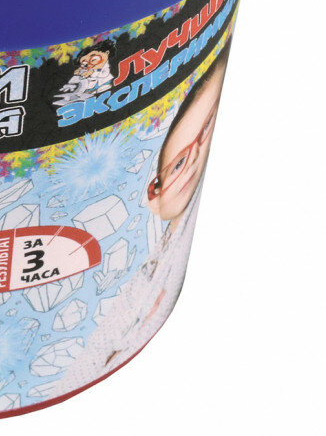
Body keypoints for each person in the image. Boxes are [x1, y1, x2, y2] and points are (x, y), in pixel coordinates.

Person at [66, 43, 231, 388]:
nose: (194, 159)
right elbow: (83, 367)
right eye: (178, 164)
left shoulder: (152, 266)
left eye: (206, 129)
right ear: (152, 194)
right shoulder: (134, 287)